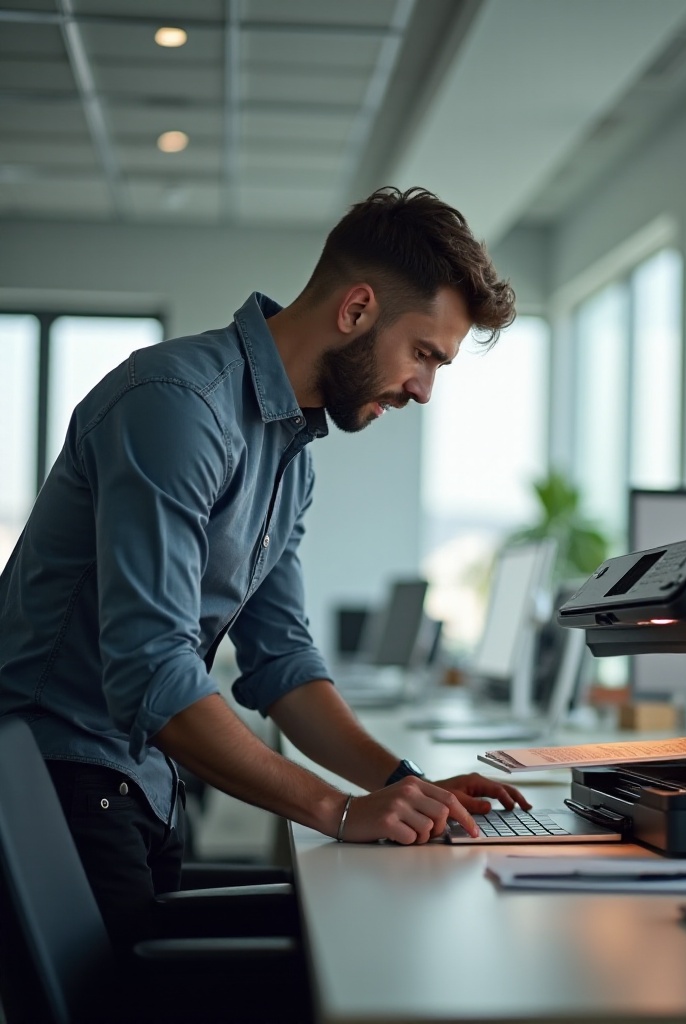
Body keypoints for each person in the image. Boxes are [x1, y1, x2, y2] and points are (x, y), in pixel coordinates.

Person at [0, 186, 528, 945]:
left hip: (139, 787)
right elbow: (151, 668)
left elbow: (281, 663)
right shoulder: (179, 406)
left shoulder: (287, 454)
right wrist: (339, 811)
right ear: (356, 310)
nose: (423, 389)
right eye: (423, 354)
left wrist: (402, 785)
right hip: (60, 787)